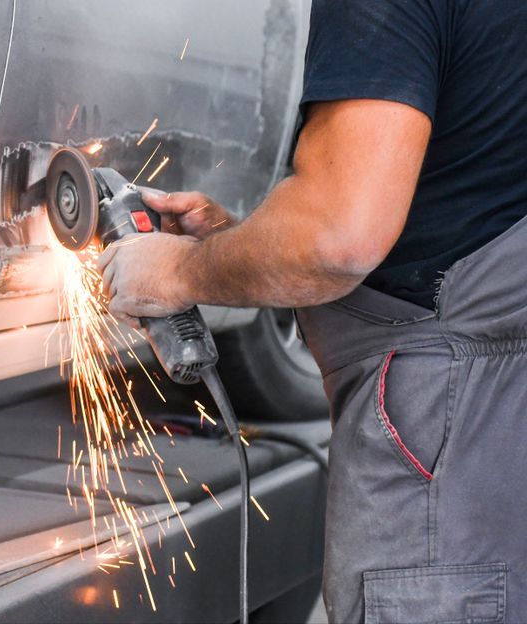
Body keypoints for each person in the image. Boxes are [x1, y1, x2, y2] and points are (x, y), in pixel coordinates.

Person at [99, 1, 527, 621]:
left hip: (452, 416)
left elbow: (337, 241)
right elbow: (473, 186)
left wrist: (178, 271)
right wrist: (237, 247)